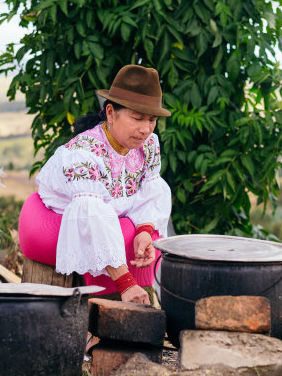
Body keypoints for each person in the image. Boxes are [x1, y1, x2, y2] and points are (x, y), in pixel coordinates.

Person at [18, 65, 172, 305]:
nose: (145, 129)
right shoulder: (85, 152)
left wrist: (145, 230)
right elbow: (89, 214)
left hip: (107, 215)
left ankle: (141, 313)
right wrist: (126, 283)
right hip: (57, 218)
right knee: (120, 233)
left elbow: (151, 192)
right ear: (111, 113)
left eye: (152, 120)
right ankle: (104, 316)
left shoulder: (149, 145)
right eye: (137, 118)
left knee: (143, 237)